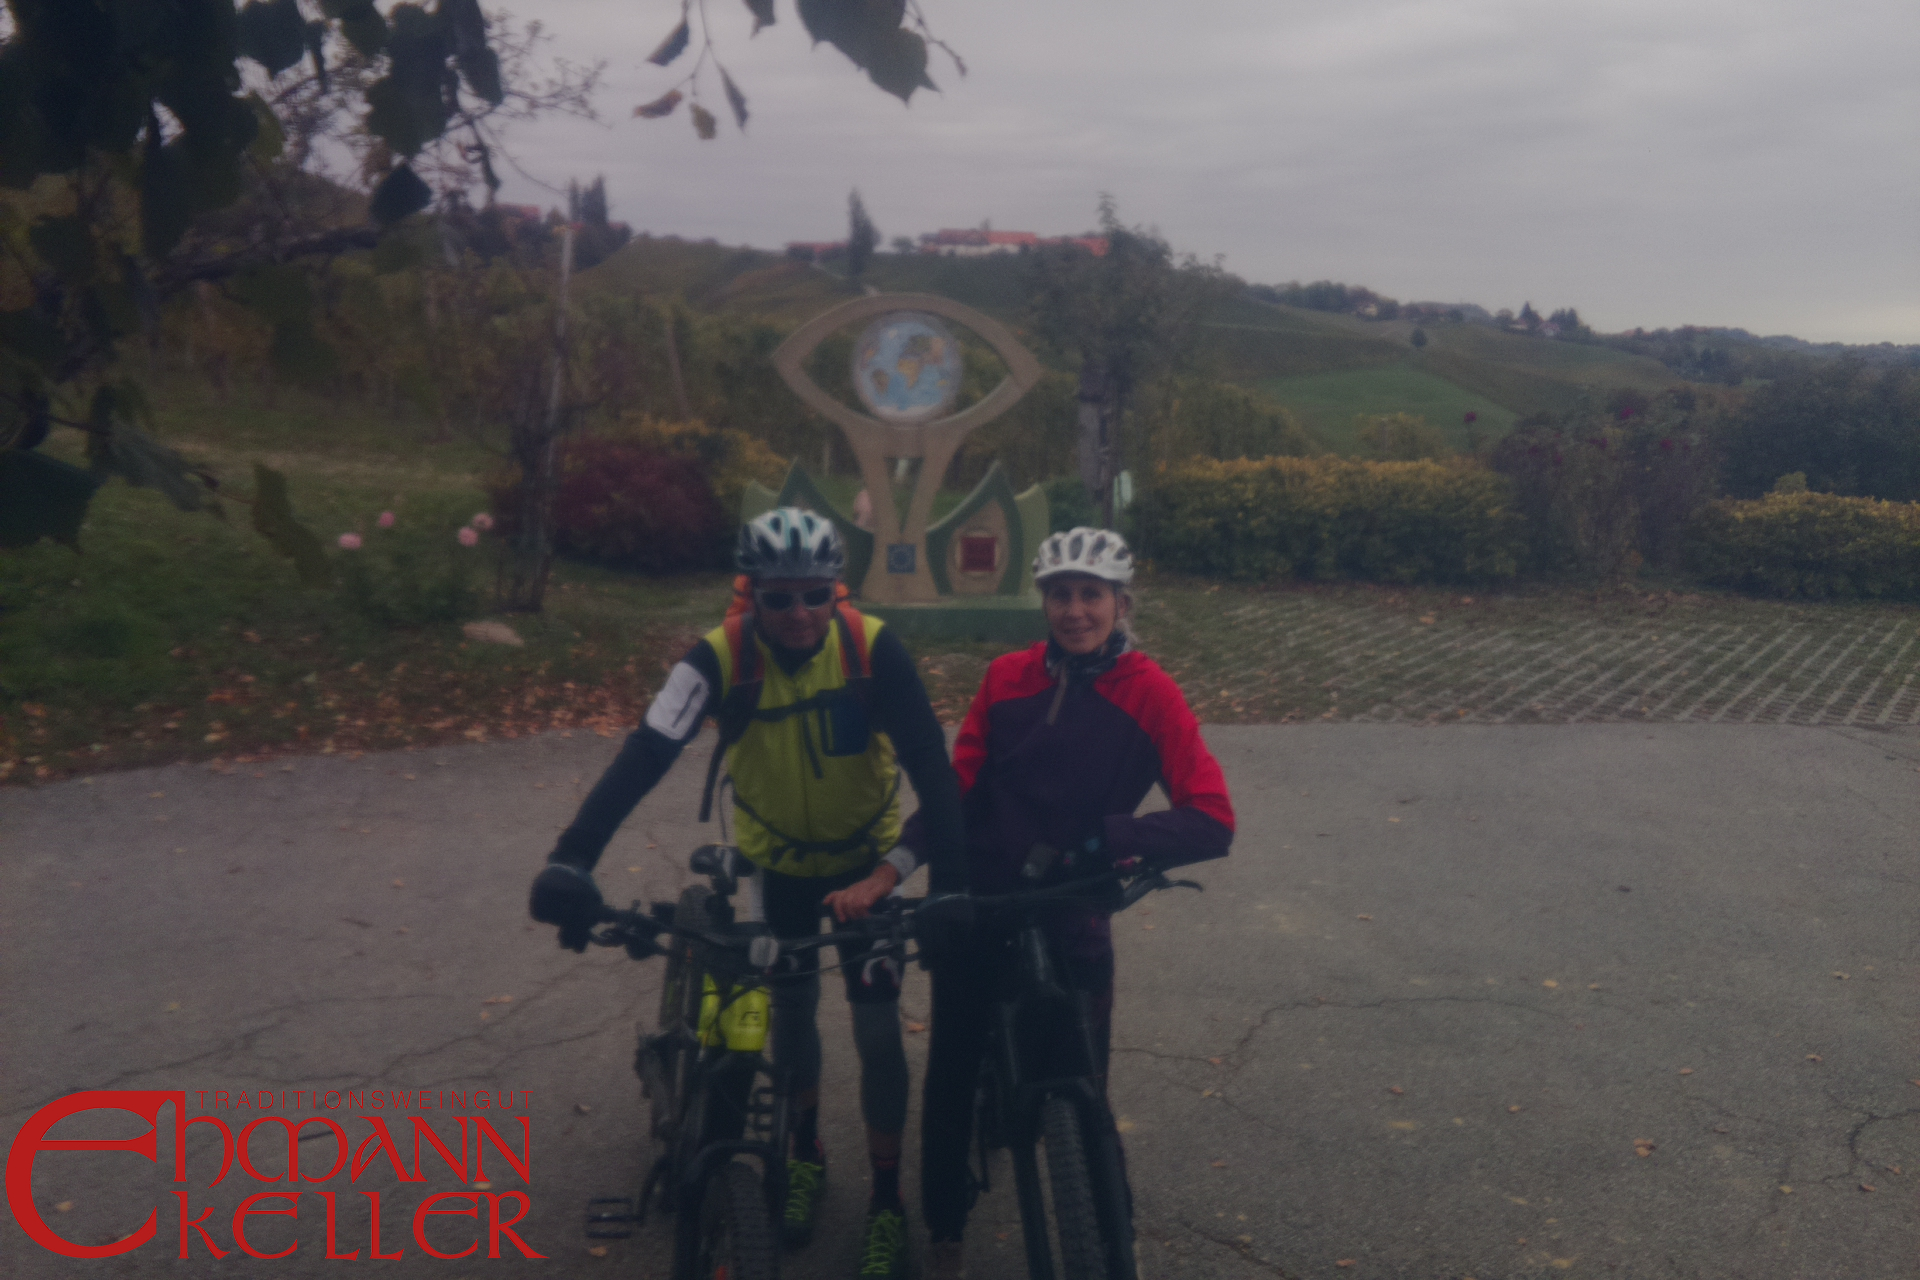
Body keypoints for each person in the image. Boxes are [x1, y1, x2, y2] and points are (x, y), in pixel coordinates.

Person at [528, 507, 972, 1280]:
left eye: (815, 594)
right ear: (751, 594)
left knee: (877, 1036)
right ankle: (804, 1155)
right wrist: (573, 858)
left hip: (864, 870)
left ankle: (886, 1199)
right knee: (791, 1021)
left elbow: (933, 768)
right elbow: (647, 750)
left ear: (836, 591)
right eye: (779, 597)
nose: (799, 612)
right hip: (780, 872)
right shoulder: (719, 656)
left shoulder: (872, 649)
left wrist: (949, 886)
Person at [895, 526, 1236, 1279]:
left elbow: (1212, 818)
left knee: (1084, 1088)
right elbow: (959, 788)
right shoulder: (1006, 677)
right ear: (1044, 602)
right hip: (982, 896)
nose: (1075, 610)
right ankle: (945, 1228)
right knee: (952, 1068)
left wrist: (1108, 840)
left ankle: (1114, 1242)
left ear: (1121, 603)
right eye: (1059, 595)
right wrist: (898, 863)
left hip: (1072, 904)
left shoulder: (1149, 692)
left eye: (1091, 595)